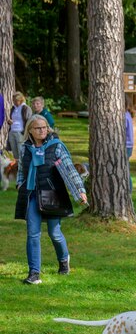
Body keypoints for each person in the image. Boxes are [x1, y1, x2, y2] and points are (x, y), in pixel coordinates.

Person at [14, 115, 88, 284]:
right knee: (32, 234)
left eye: (44, 127)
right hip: (32, 194)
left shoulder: (56, 147)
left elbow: (70, 170)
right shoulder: (25, 148)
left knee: (54, 233)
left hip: (52, 195)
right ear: (30, 131)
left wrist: (80, 191)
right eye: (38, 128)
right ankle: (34, 273)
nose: (42, 130)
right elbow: (21, 169)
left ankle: (63, 260)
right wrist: (20, 184)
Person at [6, 91, 30, 158]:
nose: (14, 102)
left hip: (20, 132)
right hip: (12, 131)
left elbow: (29, 121)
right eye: (13, 100)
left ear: (21, 100)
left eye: (16, 100)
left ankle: (22, 167)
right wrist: (9, 121)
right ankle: (17, 167)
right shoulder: (13, 108)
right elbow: (13, 119)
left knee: (21, 152)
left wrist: (24, 132)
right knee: (14, 152)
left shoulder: (26, 108)